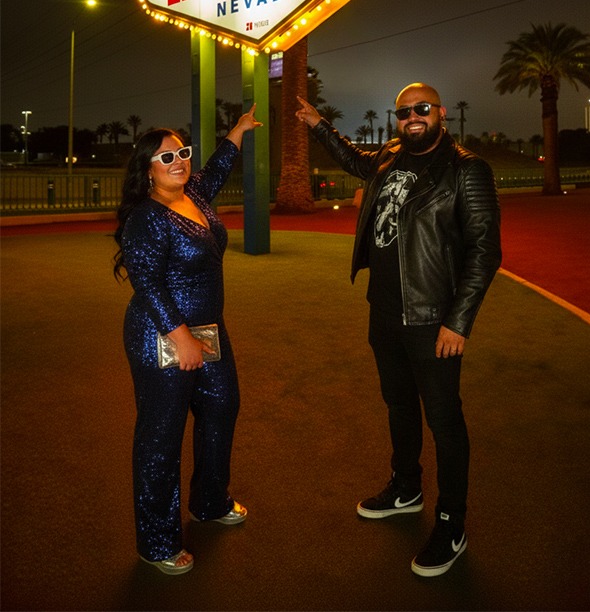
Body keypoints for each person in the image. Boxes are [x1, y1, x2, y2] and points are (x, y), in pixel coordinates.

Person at [296, 83, 501, 577]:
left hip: (433, 320)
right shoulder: (390, 155)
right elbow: (353, 159)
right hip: (384, 311)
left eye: (422, 110)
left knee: (445, 422)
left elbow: (484, 251)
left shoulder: (465, 169)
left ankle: (452, 523)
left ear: (441, 113)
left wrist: (458, 321)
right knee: (399, 405)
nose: (412, 117)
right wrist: (319, 125)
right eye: (404, 111)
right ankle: (406, 487)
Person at [113, 105, 262, 575]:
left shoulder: (194, 193)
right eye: (165, 157)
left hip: (208, 330)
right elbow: (148, 282)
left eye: (182, 152)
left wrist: (236, 133)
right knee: (162, 434)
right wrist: (181, 339)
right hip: (162, 333)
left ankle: (209, 502)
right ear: (147, 170)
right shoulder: (146, 217)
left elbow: (216, 167)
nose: (178, 161)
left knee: (222, 406)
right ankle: (157, 542)